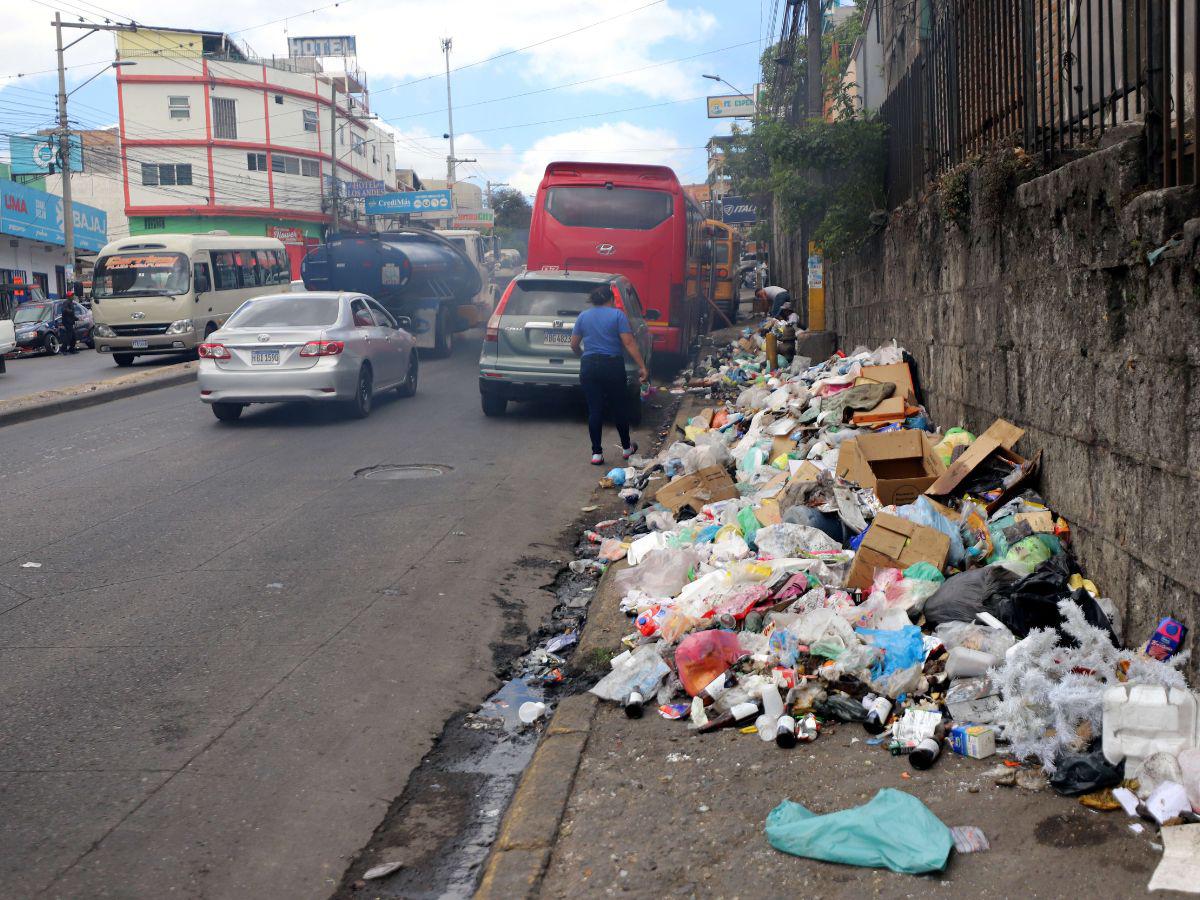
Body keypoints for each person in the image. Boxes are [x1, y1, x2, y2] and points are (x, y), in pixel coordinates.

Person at [570, 284, 649, 466]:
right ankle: (627, 448)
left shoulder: (583, 316)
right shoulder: (617, 315)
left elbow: (574, 344)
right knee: (619, 407)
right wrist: (642, 366)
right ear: (610, 299)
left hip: (589, 366)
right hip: (612, 365)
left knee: (594, 409)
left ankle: (596, 453)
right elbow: (629, 343)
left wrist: (584, 357)